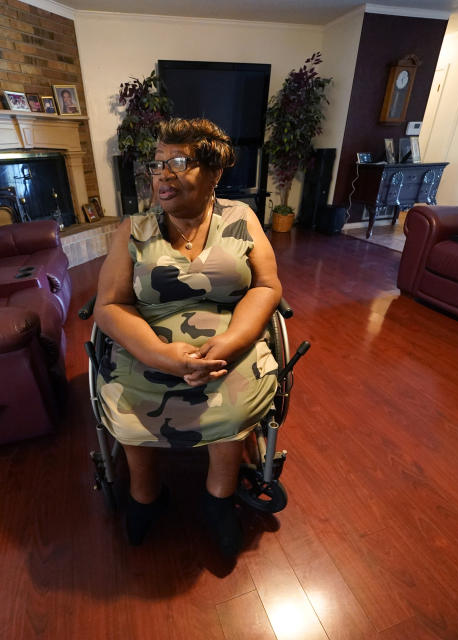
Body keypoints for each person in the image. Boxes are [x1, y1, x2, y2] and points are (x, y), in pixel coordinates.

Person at [94, 118, 281, 558]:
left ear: (214, 173)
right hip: (146, 348)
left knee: (234, 406)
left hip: (228, 347)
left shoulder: (241, 218)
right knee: (128, 411)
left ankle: (219, 498)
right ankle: (145, 495)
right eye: (158, 164)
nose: (164, 174)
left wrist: (234, 340)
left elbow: (266, 286)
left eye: (180, 161)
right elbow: (109, 305)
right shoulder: (134, 230)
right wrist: (160, 355)